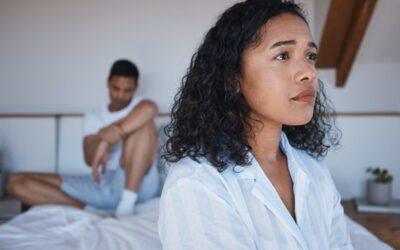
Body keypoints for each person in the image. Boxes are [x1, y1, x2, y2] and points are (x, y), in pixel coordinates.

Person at [159, 0, 353, 249]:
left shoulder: (313, 169)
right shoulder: (195, 183)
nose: (309, 73)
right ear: (232, 77)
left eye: (311, 56)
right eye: (282, 55)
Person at [7, 59, 160, 217]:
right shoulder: (94, 116)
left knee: (144, 125)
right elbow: (89, 159)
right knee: (15, 182)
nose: (121, 95)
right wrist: (101, 136)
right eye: (116, 88)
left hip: (139, 184)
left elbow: (150, 108)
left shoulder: (140, 105)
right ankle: (89, 211)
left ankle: (127, 203)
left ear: (136, 88)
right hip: (102, 185)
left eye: (127, 90)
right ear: (108, 83)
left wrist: (107, 140)